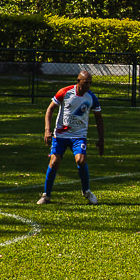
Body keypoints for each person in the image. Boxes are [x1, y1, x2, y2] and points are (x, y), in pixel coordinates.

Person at [37, 70, 105, 205]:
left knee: (81, 160)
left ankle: (86, 191)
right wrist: (47, 130)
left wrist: (101, 139)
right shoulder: (65, 92)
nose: (88, 86)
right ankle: (46, 195)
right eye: (85, 83)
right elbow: (50, 109)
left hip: (79, 136)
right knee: (54, 162)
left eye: (90, 83)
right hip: (60, 135)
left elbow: (99, 118)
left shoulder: (91, 97)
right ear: (78, 81)